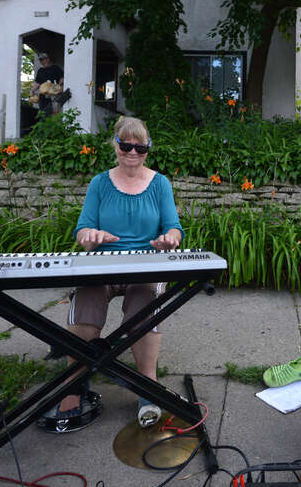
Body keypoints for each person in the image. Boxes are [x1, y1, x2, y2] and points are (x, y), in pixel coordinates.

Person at [53, 116, 183, 429]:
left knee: (143, 307)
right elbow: (82, 229)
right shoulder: (99, 183)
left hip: (146, 266)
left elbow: (174, 229)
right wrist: (90, 237)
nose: (133, 153)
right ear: (116, 145)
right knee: (87, 299)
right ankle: (75, 381)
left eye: (141, 147)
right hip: (103, 265)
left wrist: (169, 240)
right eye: (126, 146)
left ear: (148, 149)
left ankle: (146, 385)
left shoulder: (160, 184)